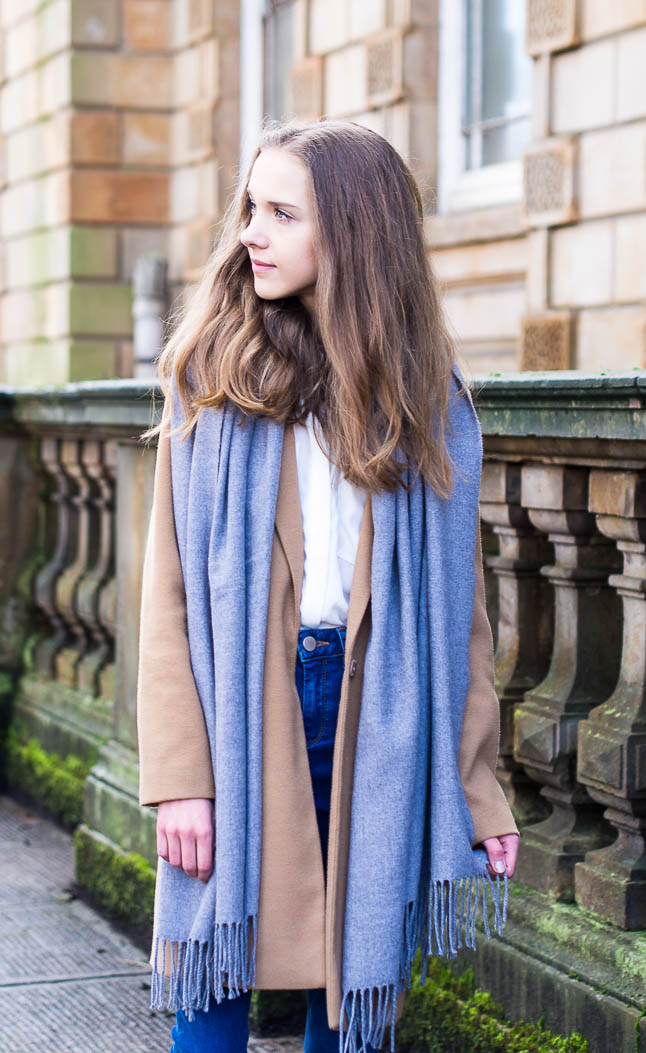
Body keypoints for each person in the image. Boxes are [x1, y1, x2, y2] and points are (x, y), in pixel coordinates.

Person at [136, 120, 520, 1053]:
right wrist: (180, 780)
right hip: (243, 715)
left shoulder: (430, 407)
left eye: (279, 213)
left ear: (350, 232)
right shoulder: (212, 383)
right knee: (211, 977)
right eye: (248, 211)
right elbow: (168, 596)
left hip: (370, 718)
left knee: (352, 993)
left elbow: (457, 618)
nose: (249, 236)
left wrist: (478, 787)